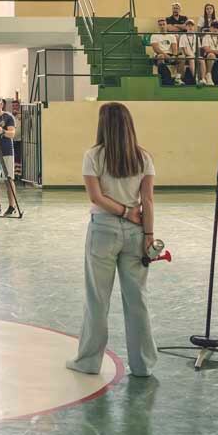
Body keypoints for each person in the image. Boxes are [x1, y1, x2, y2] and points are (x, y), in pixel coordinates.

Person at [67, 102, 156, 379]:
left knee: (97, 299)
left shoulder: (93, 156)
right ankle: (142, 365)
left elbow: (96, 198)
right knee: (136, 300)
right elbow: (149, 201)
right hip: (136, 233)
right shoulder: (143, 158)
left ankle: (88, 362)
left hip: (103, 231)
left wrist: (124, 212)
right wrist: (149, 236)